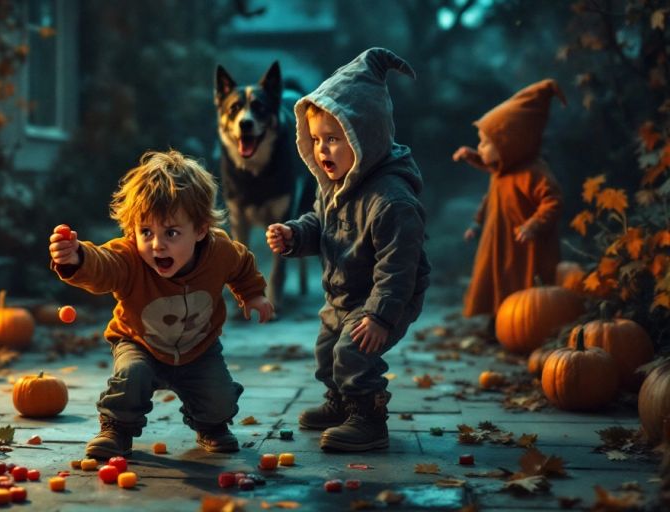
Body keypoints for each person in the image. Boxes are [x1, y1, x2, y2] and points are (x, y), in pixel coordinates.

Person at [50, 149, 274, 459]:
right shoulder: (129, 257)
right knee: (131, 376)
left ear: (200, 229)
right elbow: (104, 265)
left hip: (199, 347)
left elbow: (242, 265)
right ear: (132, 232)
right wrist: (78, 258)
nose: (157, 245)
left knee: (219, 400)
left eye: (171, 232)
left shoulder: (220, 251)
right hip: (140, 342)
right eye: (146, 232)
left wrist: (253, 294)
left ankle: (210, 425)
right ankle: (116, 427)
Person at [266, 48, 430, 452]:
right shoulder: (335, 187)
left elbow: (398, 267)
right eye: (317, 140)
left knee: (354, 350)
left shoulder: (392, 200)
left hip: (387, 294)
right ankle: (340, 403)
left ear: (366, 136)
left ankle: (369, 418)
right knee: (327, 350)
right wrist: (294, 235)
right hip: (344, 292)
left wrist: (379, 315)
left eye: (335, 139)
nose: (323, 150)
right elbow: (321, 224)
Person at [452, 79, 564, 326]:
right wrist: (476, 224)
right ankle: (496, 325)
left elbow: (553, 201)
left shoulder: (533, 173)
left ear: (508, 143)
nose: (479, 147)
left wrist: (534, 224)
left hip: (523, 245)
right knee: (495, 282)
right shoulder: (504, 169)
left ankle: (526, 329)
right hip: (498, 241)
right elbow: (490, 199)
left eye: (484, 143)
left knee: (521, 289)